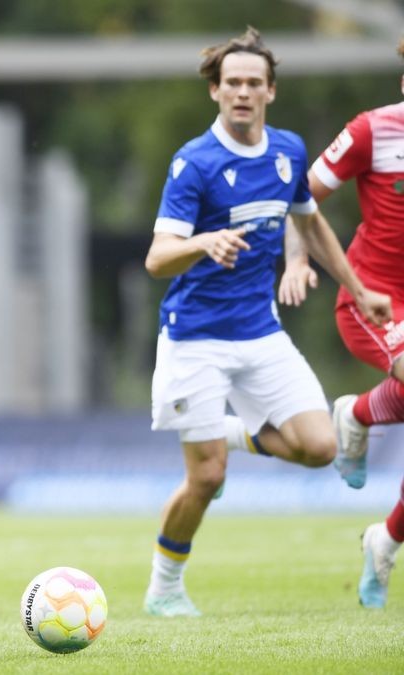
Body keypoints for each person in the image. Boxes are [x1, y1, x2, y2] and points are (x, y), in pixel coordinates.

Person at [142, 27, 392, 618]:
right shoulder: (194, 163)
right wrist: (203, 242)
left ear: (271, 91)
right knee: (206, 480)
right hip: (194, 338)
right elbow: (157, 259)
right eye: (233, 83)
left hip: (259, 331)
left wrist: (359, 290)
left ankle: (227, 431)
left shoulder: (287, 151)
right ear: (216, 91)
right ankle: (165, 587)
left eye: (254, 83)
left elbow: (309, 224)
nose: (243, 93)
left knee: (321, 446)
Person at [299, 38, 404, 609]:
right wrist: (296, 259)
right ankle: (360, 413)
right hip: (373, 302)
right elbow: (301, 196)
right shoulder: (372, 131)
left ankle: (384, 540)